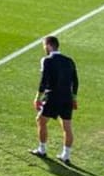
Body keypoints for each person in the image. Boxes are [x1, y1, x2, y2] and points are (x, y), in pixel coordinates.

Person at [32, 35, 77, 164]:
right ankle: (66, 155)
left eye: (44, 46)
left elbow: (44, 80)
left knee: (40, 121)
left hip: (53, 97)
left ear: (49, 45)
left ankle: (42, 149)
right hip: (67, 98)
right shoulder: (69, 60)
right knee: (67, 127)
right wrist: (74, 97)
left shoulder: (47, 60)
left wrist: (37, 97)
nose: (44, 48)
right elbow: (75, 81)